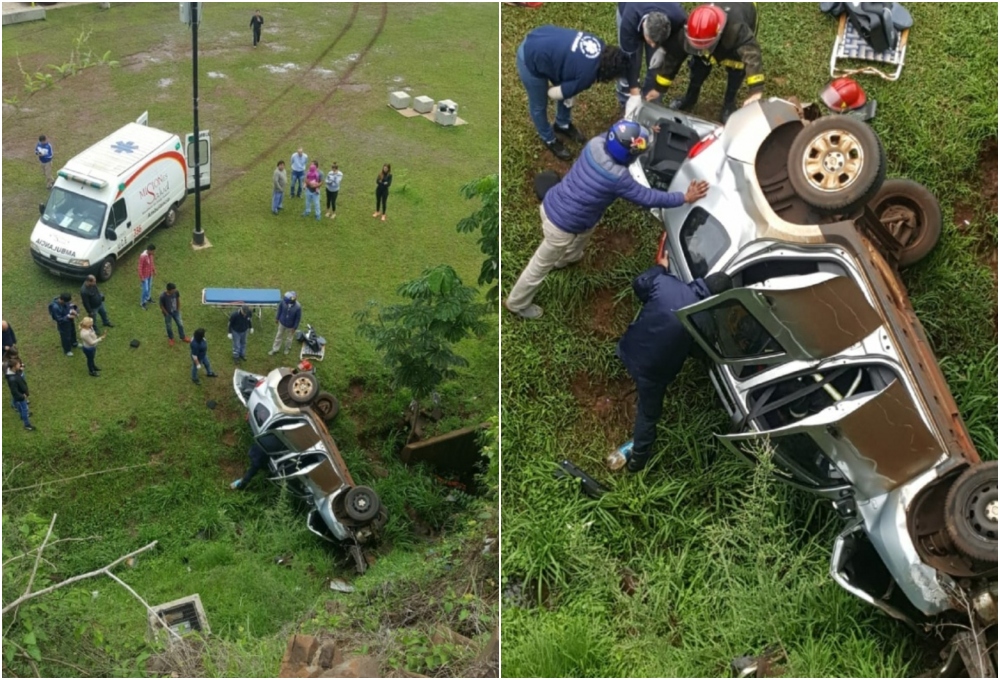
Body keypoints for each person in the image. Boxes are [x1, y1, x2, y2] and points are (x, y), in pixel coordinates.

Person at [505, 120, 709, 319]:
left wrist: (646, 133)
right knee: (538, 267)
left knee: (586, 230)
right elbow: (649, 197)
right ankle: (517, 303)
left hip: (555, 203)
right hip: (562, 226)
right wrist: (684, 197)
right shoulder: (618, 177)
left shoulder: (595, 144)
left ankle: (567, 258)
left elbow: (622, 135)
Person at [614, 248, 733, 472]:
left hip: (628, 348)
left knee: (637, 362)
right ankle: (638, 460)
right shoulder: (704, 321)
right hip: (652, 373)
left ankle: (627, 374)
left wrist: (661, 267)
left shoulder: (667, 283)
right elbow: (701, 354)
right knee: (649, 416)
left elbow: (640, 283)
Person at [516, 25, 629, 160]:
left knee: (568, 93)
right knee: (539, 105)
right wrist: (544, 90)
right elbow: (556, 94)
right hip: (530, 56)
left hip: (542, 37)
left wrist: (569, 90)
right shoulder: (587, 75)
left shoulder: (598, 43)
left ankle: (562, 125)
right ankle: (548, 139)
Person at [646, 2, 764, 123]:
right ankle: (690, 98)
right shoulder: (692, 29)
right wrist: (659, 88)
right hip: (709, 32)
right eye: (697, 45)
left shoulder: (737, 30)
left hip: (743, 9)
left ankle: (729, 104)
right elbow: (673, 58)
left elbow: (752, 55)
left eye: (704, 45)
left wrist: (756, 90)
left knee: (736, 69)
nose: (701, 49)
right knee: (698, 68)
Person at [616, 3, 687, 109]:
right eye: (651, 41)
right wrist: (634, 91)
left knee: (656, 68)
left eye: (657, 43)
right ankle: (627, 105)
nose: (653, 45)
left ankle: (650, 105)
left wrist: (663, 49)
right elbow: (628, 59)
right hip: (629, 10)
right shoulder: (629, 22)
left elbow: (677, 48)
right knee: (627, 72)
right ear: (644, 27)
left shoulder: (678, 17)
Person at [269, 291, 301, 356]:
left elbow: (298, 318)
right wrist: (277, 318)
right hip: (282, 323)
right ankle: (275, 349)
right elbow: (279, 310)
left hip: (291, 326)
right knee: (278, 336)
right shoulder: (283, 302)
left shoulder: (298, 307)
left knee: (289, 338)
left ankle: (287, 348)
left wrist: (295, 327)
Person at [6, 358, 34, 431]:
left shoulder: (14, 372)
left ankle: (21, 414)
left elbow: (18, 374)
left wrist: (21, 369)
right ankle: (27, 425)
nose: (19, 365)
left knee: (18, 405)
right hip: (20, 396)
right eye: (18, 364)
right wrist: (22, 396)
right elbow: (14, 391)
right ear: (13, 367)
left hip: (19, 395)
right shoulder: (12, 379)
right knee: (25, 409)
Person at [138, 243, 157, 309]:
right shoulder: (143, 256)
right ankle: (142, 302)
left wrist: (154, 270)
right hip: (144, 276)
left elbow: (151, 263)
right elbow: (140, 267)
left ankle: (148, 298)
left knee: (149, 287)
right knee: (145, 289)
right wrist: (141, 277)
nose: (154, 252)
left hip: (149, 274)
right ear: (149, 250)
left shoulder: (151, 255)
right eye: (153, 251)